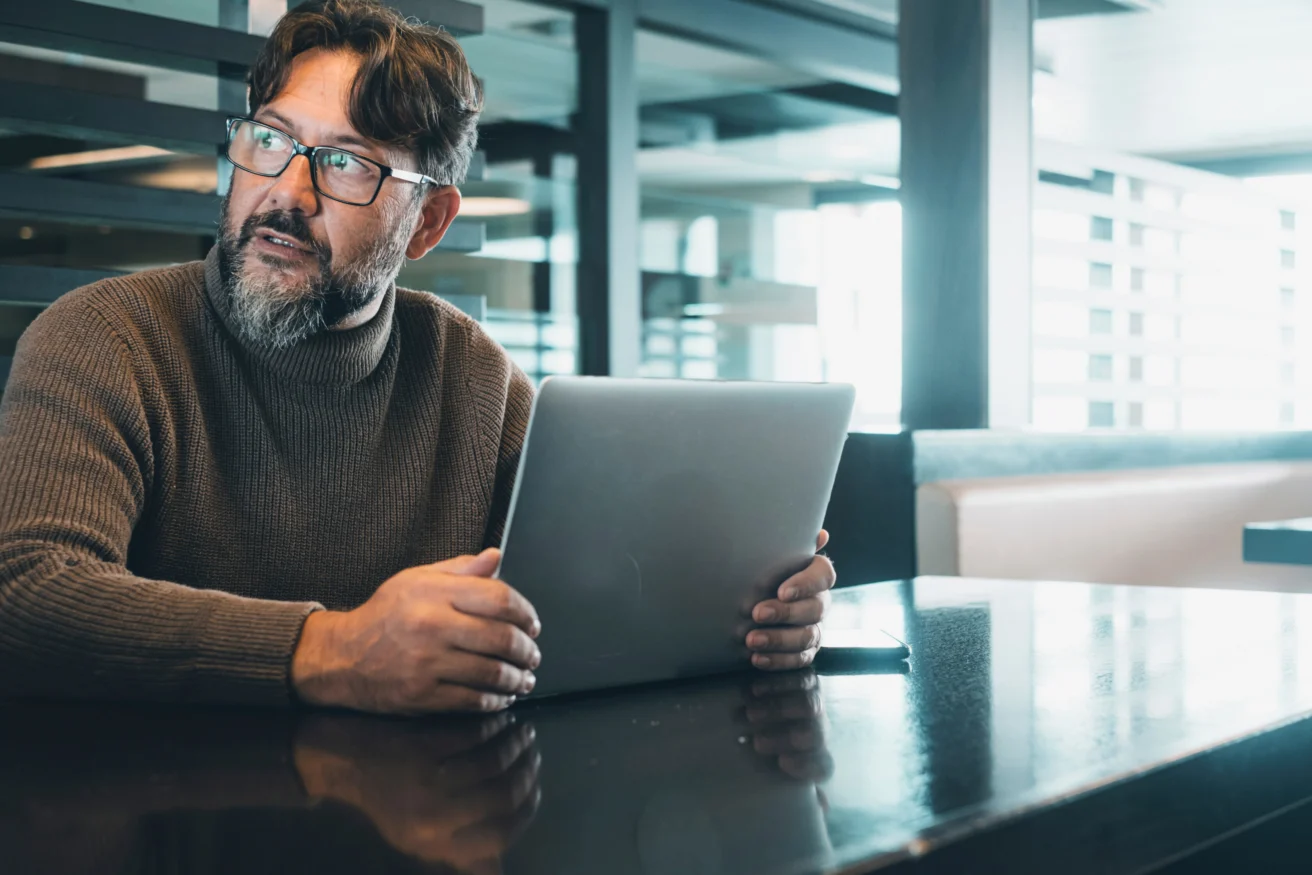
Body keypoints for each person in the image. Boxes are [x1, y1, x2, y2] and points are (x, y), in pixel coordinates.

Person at [0, 0, 836, 714]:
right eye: (269, 141)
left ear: (429, 223)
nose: (286, 194)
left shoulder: (467, 374)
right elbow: (24, 592)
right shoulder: (109, 337)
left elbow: (604, 591)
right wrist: (327, 649)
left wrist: (747, 615)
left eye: (345, 164)